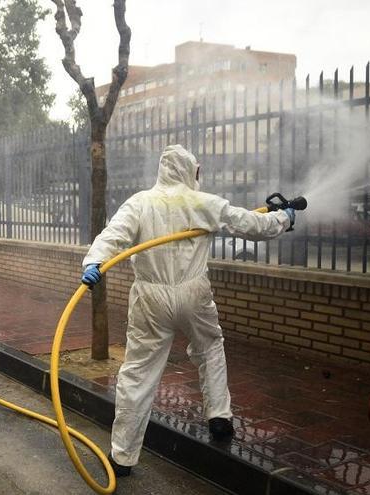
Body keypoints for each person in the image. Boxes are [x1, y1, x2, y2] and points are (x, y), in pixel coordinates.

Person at [80, 145, 297, 476]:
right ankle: (219, 416)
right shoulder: (203, 202)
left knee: (138, 373)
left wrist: (94, 262)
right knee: (210, 347)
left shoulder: (139, 203)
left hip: (150, 299)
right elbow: (252, 225)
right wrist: (284, 217)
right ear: (189, 171)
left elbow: (112, 236)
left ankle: (122, 458)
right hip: (193, 293)